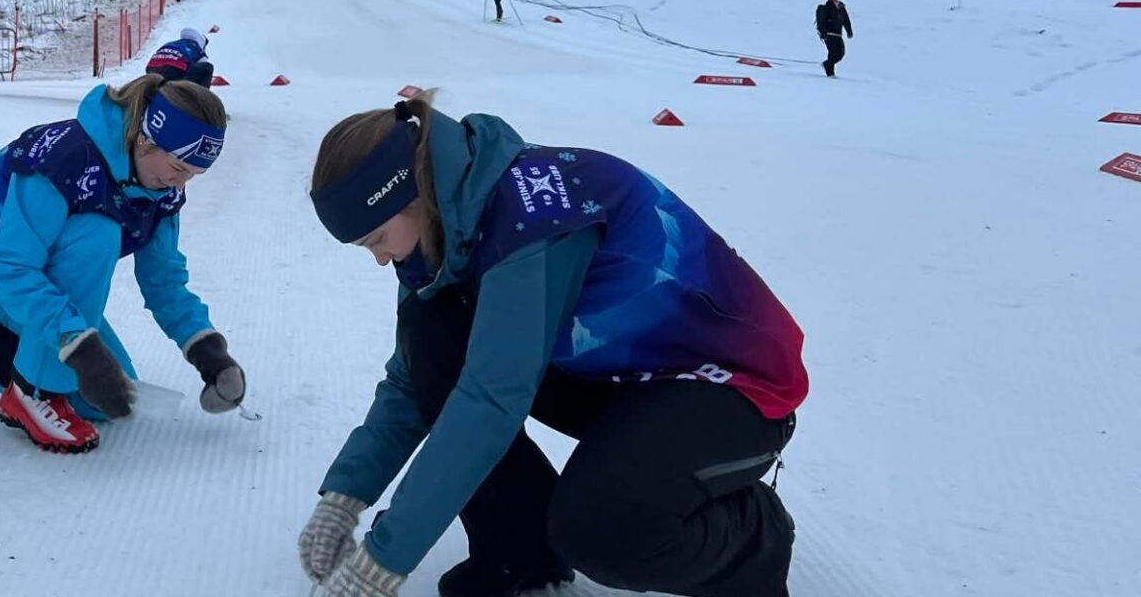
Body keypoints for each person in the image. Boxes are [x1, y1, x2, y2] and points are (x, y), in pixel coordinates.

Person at [297, 92, 808, 597]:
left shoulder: (535, 221)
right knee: (433, 334)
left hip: (731, 387)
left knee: (602, 529)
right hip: (627, 378)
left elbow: (489, 403)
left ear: (412, 199)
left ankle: (755, 537)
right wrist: (344, 496)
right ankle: (520, 554)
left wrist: (383, 561)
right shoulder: (445, 234)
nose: (381, 260)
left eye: (377, 240)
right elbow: (415, 377)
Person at [0, 76, 247, 453]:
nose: (180, 183)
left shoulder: (162, 190)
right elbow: (13, 266)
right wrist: (77, 346)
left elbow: (164, 281)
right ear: (146, 138)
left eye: (193, 174)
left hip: (19, 269)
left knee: (111, 394)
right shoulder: (65, 159)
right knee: (97, 234)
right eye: (177, 166)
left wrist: (207, 350)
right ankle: (31, 393)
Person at [147, 27, 215, 88]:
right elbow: (203, 64)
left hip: (151, 69)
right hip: (175, 71)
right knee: (208, 68)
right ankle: (200, 97)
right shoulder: (196, 47)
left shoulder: (170, 43)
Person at [815, 0, 854, 77]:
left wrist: (849, 31)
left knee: (840, 53)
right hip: (829, 34)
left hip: (838, 34)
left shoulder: (841, 7)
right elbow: (822, 21)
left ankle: (827, 64)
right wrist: (823, 33)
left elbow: (846, 20)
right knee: (832, 53)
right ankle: (830, 73)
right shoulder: (827, 7)